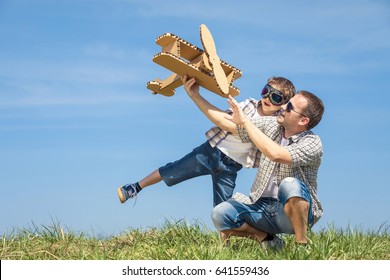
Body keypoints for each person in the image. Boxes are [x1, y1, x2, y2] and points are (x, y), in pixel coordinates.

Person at [117, 76, 296, 207]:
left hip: (232, 166)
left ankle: (225, 245)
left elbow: (234, 126)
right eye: (266, 91)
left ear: (284, 104)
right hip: (211, 151)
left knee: (223, 207)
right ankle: (136, 187)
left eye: (276, 97)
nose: (268, 99)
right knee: (172, 170)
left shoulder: (274, 124)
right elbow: (225, 120)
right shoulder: (249, 104)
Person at [211, 91, 324, 248]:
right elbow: (232, 125)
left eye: (289, 106)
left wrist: (246, 122)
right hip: (261, 207)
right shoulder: (272, 125)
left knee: (290, 184)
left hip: (290, 214)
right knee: (220, 214)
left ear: (303, 120)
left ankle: (301, 245)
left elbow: (276, 154)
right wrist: (195, 95)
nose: (283, 106)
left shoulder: (312, 143)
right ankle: (267, 238)